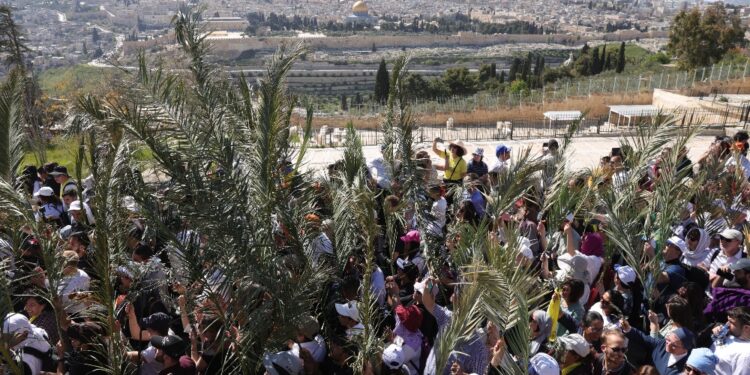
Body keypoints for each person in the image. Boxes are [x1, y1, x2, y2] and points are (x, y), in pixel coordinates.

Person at [621, 318, 695, 375]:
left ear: (685, 349)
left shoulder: (686, 367)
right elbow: (644, 339)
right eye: (668, 340)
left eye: (674, 345)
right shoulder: (662, 344)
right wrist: (628, 329)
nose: (668, 345)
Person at [711, 306, 750, 374]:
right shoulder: (731, 333)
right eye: (727, 320)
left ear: (746, 328)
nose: (727, 324)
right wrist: (716, 335)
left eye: (731, 322)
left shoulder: (746, 354)